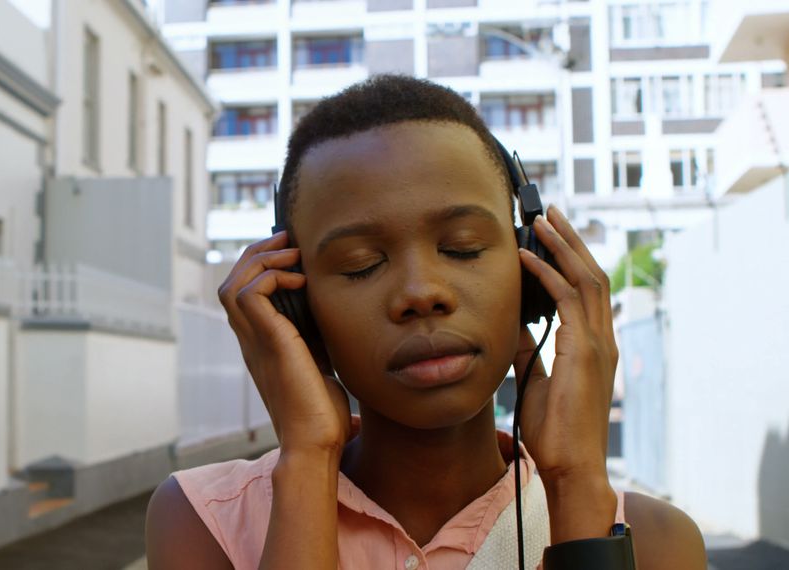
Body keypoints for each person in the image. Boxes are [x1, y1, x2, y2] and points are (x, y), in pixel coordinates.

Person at [145, 75, 706, 569]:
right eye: (362, 264)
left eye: (462, 248)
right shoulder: (206, 520)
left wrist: (576, 483)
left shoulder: (656, 544)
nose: (421, 293)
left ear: (531, 271)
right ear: (297, 304)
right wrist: (309, 458)